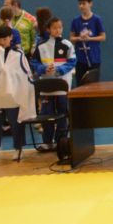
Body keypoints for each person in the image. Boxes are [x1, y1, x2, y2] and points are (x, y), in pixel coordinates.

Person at [30, 17, 76, 152]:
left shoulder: (67, 44)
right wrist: (43, 68)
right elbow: (34, 62)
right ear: (48, 29)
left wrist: (60, 70)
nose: (57, 30)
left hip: (62, 87)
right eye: (54, 28)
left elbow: (72, 61)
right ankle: (47, 142)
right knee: (46, 115)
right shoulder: (41, 45)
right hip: (46, 87)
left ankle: (61, 142)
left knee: (62, 114)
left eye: (60, 27)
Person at [0, 24, 34, 161]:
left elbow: (25, 72)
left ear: (11, 37)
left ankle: (18, 148)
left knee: (15, 122)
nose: (1, 42)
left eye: (4, 39)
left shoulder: (18, 54)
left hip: (12, 94)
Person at [70, 0, 106, 83]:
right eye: (80, 4)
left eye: (84, 3)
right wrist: (79, 38)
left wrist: (89, 39)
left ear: (90, 4)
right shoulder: (75, 20)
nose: (81, 6)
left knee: (93, 84)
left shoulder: (97, 19)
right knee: (80, 83)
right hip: (80, 59)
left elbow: (103, 37)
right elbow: (71, 38)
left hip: (94, 58)